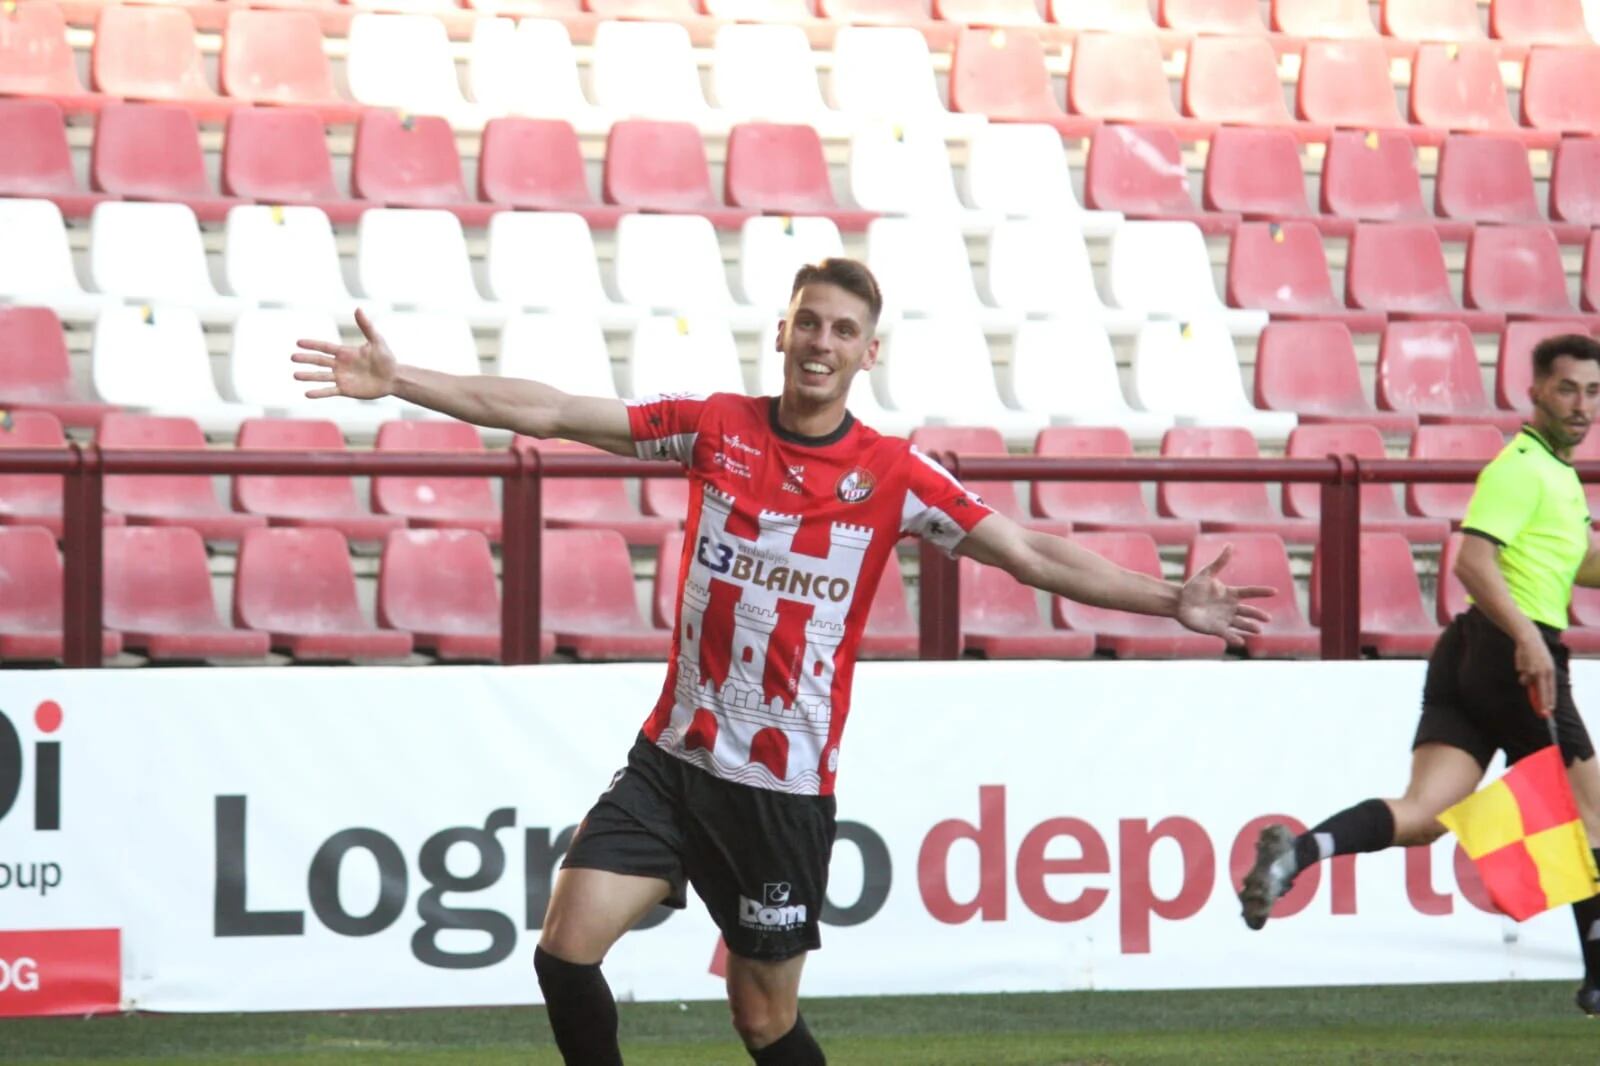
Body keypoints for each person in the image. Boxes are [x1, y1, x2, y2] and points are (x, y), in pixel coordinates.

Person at [293, 259, 1273, 1065]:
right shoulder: (713, 428)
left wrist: (1167, 599)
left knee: (761, 1018)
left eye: (843, 330)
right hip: (671, 764)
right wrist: (402, 381)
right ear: (783, 330)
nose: (821, 343)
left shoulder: (892, 475)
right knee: (562, 951)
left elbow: (1029, 553)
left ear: (867, 352)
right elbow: (550, 409)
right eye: (809, 323)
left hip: (779, 790)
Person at [1238, 333, 1600, 1013]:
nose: (1581, 405)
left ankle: (1298, 856)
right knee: (1590, 814)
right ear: (1535, 393)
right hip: (1513, 650)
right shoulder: (1521, 467)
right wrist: (1525, 639)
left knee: (1425, 815)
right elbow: (1470, 560)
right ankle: (1597, 979)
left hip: (1467, 653)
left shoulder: (1556, 474)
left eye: (1593, 391)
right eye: (1567, 389)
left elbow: (1575, 563)